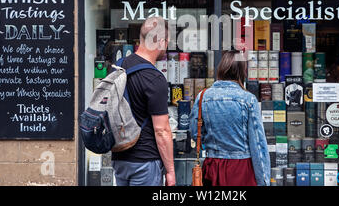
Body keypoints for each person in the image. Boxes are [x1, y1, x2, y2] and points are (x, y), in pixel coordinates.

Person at [189, 50, 270, 186]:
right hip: (241, 169)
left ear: (221, 68)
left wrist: (212, 145)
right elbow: (258, 144)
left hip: (213, 167)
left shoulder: (203, 96)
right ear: (242, 71)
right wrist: (264, 180)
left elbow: (195, 133)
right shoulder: (248, 99)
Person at [112, 16, 176, 186]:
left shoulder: (119, 66)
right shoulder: (154, 78)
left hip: (120, 158)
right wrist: (170, 171)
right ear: (161, 41)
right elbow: (161, 130)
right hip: (145, 162)